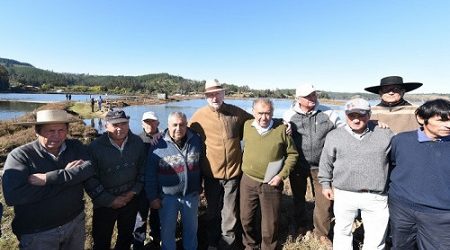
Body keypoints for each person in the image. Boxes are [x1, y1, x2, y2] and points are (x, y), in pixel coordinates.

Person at [2, 109, 94, 249]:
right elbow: (14, 196)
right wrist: (69, 178)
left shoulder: (75, 146)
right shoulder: (20, 156)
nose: (56, 136)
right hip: (38, 232)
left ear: (67, 130)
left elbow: (89, 168)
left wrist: (49, 178)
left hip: (75, 222)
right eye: (50, 131)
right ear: (37, 131)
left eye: (61, 130)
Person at [318, 98, 393, 249]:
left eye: (362, 115)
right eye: (352, 115)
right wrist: (326, 184)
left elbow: (398, 159)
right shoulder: (334, 136)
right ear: (346, 115)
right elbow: (326, 162)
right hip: (344, 193)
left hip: (376, 195)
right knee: (342, 231)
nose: (356, 119)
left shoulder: (385, 134)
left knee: (376, 236)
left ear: (369, 114)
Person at [189, 79, 253, 249]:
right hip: (211, 176)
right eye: (210, 94)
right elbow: (181, 132)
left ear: (224, 94)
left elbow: (257, 121)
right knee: (212, 212)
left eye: (217, 93)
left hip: (233, 175)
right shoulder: (199, 116)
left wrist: (281, 124)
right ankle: (212, 243)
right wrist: (160, 136)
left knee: (230, 213)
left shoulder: (235, 112)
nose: (214, 97)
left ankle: (227, 245)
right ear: (206, 97)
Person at [282, 84, 344, 244]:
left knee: (324, 201)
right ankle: (301, 225)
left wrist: (372, 123)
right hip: (298, 165)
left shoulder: (328, 112)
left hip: (323, 166)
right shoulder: (289, 115)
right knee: (298, 198)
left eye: (314, 95)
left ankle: (321, 233)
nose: (312, 98)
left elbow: (344, 130)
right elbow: (281, 132)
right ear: (298, 99)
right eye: (308, 96)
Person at [388, 99, 450, 249]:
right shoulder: (401, 140)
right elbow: (393, 164)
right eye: (442, 120)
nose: (448, 125)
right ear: (422, 118)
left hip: (440, 215)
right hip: (402, 210)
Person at [240, 98, 298, 250]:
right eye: (260, 113)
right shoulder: (247, 126)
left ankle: (268, 248)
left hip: (271, 183)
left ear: (273, 113)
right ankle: (250, 245)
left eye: (268, 113)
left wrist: (281, 176)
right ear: (253, 112)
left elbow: (293, 154)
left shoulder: (281, 129)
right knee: (246, 219)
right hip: (248, 181)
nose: (264, 117)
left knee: (270, 224)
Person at [85, 109, 147, 250]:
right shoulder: (95, 148)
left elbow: (142, 170)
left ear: (128, 123)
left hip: (130, 201)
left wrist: (132, 193)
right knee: (101, 241)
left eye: (123, 123)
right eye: (115, 124)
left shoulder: (137, 142)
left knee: (125, 238)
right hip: (104, 205)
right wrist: (110, 200)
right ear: (106, 125)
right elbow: (90, 179)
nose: (120, 128)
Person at [146, 112, 203, 250]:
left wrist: (200, 187)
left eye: (182, 124)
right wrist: (153, 197)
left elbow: (202, 165)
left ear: (187, 125)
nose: (178, 128)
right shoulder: (157, 145)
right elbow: (150, 174)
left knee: (191, 231)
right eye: (175, 125)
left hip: (191, 196)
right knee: (167, 233)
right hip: (167, 198)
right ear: (168, 125)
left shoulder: (196, 140)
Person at [133, 111, 162, 249]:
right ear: (142, 123)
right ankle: (138, 243)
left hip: (159, 185)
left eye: (152, 121)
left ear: (158, 123)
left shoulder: (165, 138)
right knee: (141, 217)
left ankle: (156, 239)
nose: (150, 124)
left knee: (157, 214)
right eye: (146, 121)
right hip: (141, 186)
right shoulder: (135, 140)